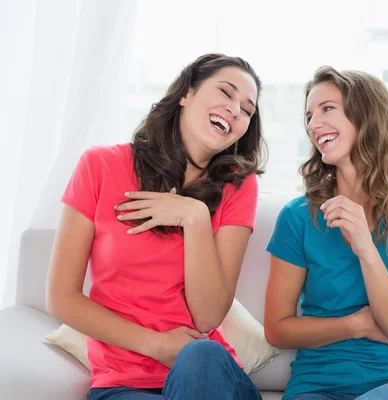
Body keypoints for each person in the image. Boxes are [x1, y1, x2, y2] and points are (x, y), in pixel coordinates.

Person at [46, 53, 266, 400]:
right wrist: (156, 344)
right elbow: (61, 298)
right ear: (186, 94)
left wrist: (194, 219)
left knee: (201, 354)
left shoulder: (238, 187)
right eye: (226, 92)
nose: (236, 109)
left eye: (247, 109)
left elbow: (207, 317)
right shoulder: (100, 165)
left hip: (209, 380)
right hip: (123, 384)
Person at [264, 66, 388, 400]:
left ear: (367, 116)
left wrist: (365, 248)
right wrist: (357, 324)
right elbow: (277, 329)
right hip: (317, 386)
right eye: (309, 116)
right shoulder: (298, 217)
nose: (313, 125)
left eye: (327, 109)